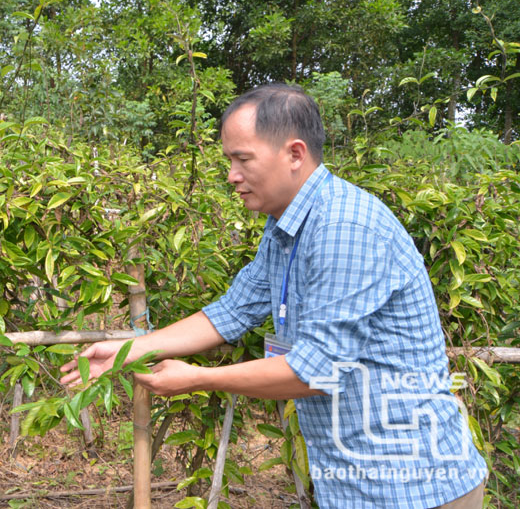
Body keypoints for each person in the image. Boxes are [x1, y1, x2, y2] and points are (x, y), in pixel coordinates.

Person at [61, 84, 487, 508]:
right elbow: (229, 312)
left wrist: (197, 379)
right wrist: (127, 350)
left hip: (414, 488)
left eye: (242, 159)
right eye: (229, 160)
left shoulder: (344, 227)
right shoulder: (284, 227)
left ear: (295, 154)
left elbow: (316, 371)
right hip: (358, 484)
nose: (231, 174)